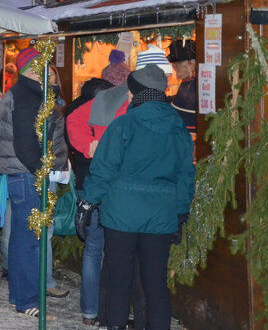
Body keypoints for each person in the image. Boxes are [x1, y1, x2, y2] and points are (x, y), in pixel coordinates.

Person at [80, 65, 196, 330]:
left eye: (131, 93)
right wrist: (180, 212)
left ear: (140, 93)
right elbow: (185, 174)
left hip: (121, 215)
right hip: (161, 216)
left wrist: (87, 202)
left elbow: (104, 169)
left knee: (119, 283)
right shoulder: (178, 128)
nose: (129, 98)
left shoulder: (124, 124)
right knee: (155, 284)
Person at [0, 46, 64, 319]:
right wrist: (42, 171)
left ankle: (19, 296)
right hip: (28, 174)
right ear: (34, 69)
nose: (50, 72)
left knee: (24, 237)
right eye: (45, 66)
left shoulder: (28, 93)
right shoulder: (25, 96)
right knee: (30, 240)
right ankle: (28, 300)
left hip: (23, 173)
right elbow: (25, 143)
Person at [65, 77, 113, 327]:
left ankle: (89, 311)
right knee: (109, 249)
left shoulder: (74, 110)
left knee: (93, 248)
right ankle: (106, 308)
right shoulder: (104, 113)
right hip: (106, 186)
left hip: (86, 183)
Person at [167, 39, 197, 135]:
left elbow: (180, 109)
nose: (173, 66)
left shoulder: (193, 83)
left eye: (176, 63)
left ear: (189, 64)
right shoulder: (190, 80)